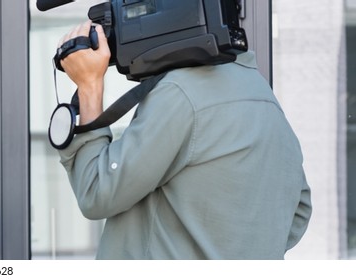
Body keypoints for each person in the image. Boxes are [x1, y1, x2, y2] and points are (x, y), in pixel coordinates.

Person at [56, 20, 312, 259]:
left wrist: (89, 85)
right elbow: (298, 212)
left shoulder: (181, 92)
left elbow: (97, 192)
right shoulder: (261, 93)